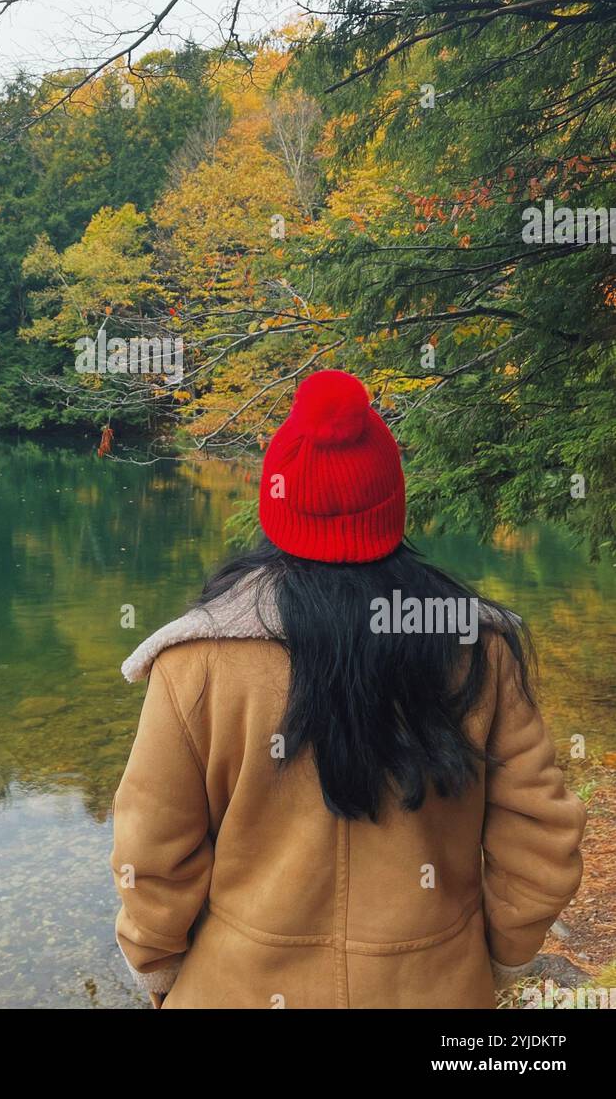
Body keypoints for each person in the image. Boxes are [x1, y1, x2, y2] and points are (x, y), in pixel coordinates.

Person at [110, 369, 586, 1009]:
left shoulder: (197, 660)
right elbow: (539, 841)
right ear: (391, 503)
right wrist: (492, 960)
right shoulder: (475, 645)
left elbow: (151, 855)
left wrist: (161, 975)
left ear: (276, 504)